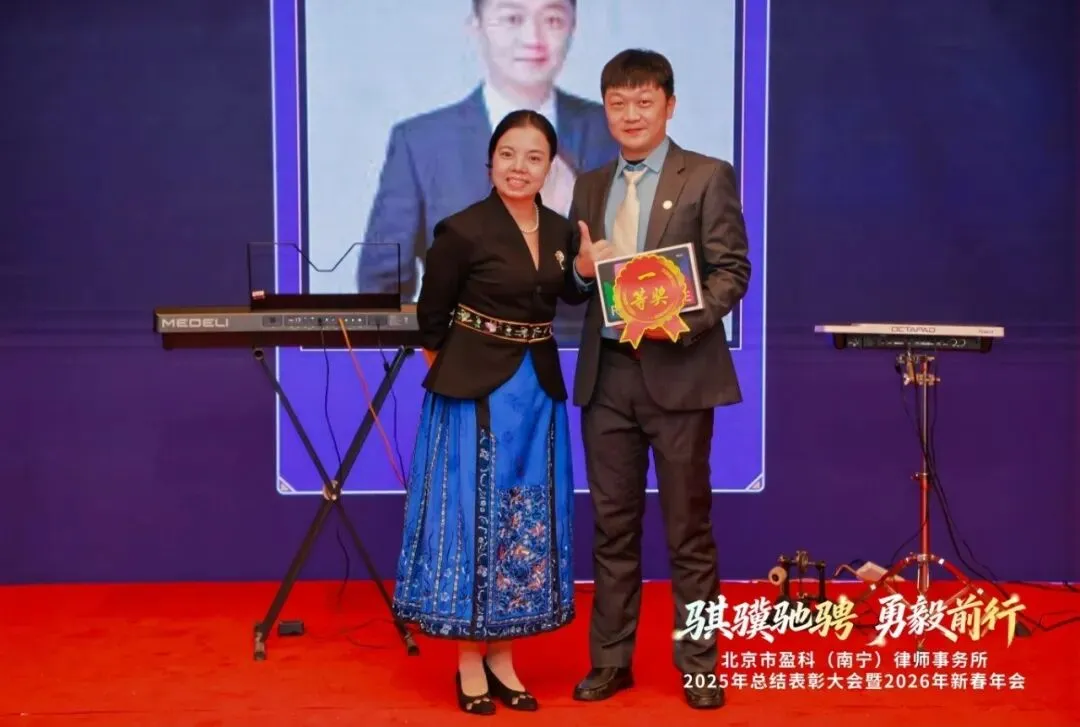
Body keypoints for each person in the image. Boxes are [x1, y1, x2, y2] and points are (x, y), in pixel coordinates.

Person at [565, 49, 751, 710]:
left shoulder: (706, 175)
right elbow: (574, 284)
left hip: (679, 372)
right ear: (605, 109)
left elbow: (733, 270)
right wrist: (581, 273)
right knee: (611, 529)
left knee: (688, 531)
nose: (631, 114)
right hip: (608, 377)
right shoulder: (590, 186)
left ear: (669, 106)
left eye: (644, 101)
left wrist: (677, 319)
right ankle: (610, 661)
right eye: (618, 102)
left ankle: (699, 664)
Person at [391, 109, 589, 716]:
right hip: (474, 396)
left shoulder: (561, 232)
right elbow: (431, 321)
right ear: (490, 161)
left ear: (549, 167)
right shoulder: (461, 230)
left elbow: (568, 292)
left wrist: (585, 272)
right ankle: (468, 662)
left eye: (534, 157)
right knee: (471, 519)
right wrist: (459, 374)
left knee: (522, 519)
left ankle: (504, 656)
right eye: (508, 154)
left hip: (538, 392)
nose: (519, 167)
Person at [357, 0, 617, 313]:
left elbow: (643, 267)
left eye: (552, 20)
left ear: (572, 26)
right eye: (512, 18)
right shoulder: (420, 142)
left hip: (586, 342)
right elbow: (381, 286)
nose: (532, 38)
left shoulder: (613, 132)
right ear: (476, 26)